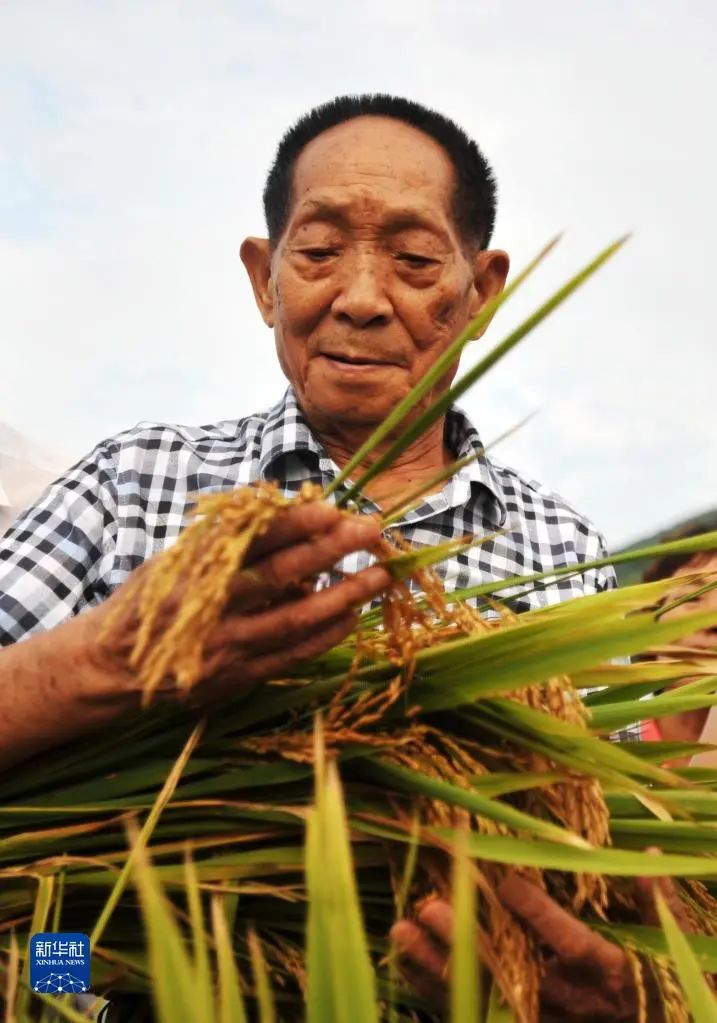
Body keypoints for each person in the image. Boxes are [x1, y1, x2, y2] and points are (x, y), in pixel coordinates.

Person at [0, 94, 691, 1020]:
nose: (361, 299)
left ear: (481, 291)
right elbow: (41, 922)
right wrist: (110, 659)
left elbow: (606, 877)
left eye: (413, 261)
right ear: (264, 279)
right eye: (320, 251)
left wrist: (574, 996)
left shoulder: (560, 550)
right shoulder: (138, 482)